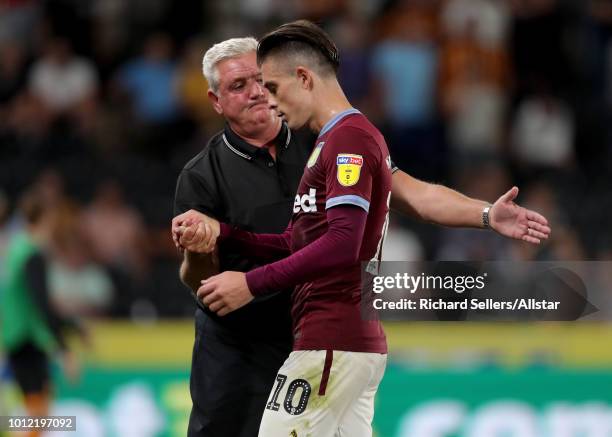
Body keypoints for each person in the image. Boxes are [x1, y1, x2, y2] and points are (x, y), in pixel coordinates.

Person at [174, 21, 551, 436]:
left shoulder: (336, 140)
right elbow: (283, 245)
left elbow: (378, 219)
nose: (263, 96)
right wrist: (218, 237)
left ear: (299, 78)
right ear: (215, 100)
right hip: (252, 347)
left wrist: (484, 214)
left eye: (268, 84)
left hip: (324, 334)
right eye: (240, 85)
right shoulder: (209, 174)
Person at [0, 190, 83, 437]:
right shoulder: (32, 255)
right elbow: (41, 305)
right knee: (38, 411)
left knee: (35, 411)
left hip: (15, 337)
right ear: (46, 219)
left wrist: (71, 326)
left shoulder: (16, 249)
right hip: (27, 339)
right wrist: (64, 348)